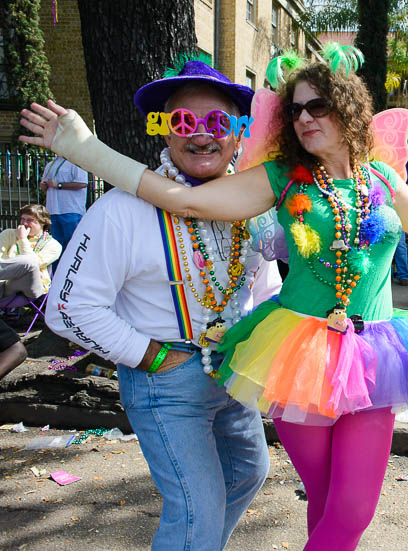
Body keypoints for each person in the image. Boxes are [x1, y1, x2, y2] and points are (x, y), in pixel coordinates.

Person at [23, 45, 408, 551]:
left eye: (319, 106)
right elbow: (184, 199)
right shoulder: (278, 180)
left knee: (346, 508)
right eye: (296, 110)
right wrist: (87, 150)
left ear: (350, 109)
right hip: (295, 356)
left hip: (373, 356)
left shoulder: (379, 176)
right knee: (306, 499)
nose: (305, 118)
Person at [42, 57, 281, 550]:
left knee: (248, 474)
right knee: (196, 513)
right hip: (165, 379)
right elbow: (67, 307)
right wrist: (150, 355)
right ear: (164, 132)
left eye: (217, 122)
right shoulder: (120, 211)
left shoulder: (252, 204)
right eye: (183, 122)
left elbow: (265, 283)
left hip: (232, 371)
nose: (201, 135)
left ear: (240, 132)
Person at [0, 204, 61, 299]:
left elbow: (33, 264)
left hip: (33, 285)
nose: (24, 223)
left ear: (43, 222)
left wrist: (22, 239)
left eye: (29, 220)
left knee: (30, 262)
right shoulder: (8, 234)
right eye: (22, 219)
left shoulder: (54, 245)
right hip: (5, 284)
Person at [38, 155, 88, 259]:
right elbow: (45, 182)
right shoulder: (50, 164)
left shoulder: (76, 162)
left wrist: (59, 185)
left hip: (71, 210)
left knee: (72, 246)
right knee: (56, 248)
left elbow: (82, 183)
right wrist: (44, 185)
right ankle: (57, 274)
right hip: (53, 211)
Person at [392, 172, 408, 286]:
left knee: (400, 246)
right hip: (383, 210)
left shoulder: (400, 166)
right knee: (384, 245)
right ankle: (389, 275)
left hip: (399, 213)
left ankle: (403, 275)